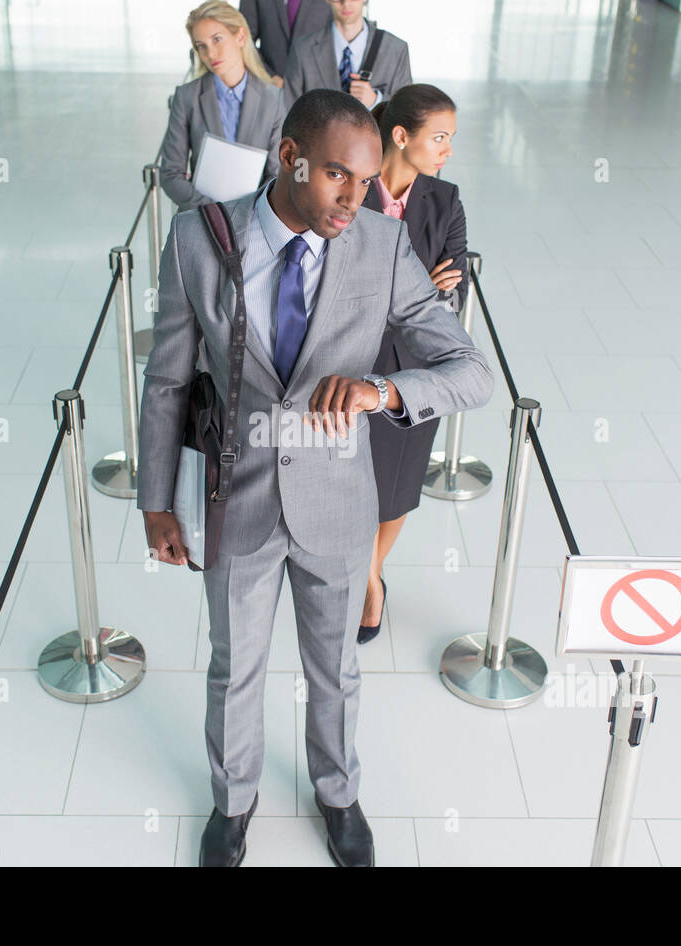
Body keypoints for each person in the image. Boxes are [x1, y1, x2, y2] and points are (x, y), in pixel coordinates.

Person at [137, 89, 492, 867]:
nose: (353, 198)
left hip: (338, 500)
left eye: (365, 181)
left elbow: (471, 372)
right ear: (289, 158)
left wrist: (382, 391)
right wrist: (156, 500)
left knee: (335, 665)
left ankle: (338, 793)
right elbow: (166, 380)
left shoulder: (377, 246)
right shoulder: (201, 239)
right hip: (240, 499)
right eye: (337, 176)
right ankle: (232, 804)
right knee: (235, 665)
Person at [357, 84, 467, 645]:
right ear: (401, 136)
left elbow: (454, 285)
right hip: (352, 361)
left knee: (399, 485)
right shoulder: (351, 187)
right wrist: (418, 285)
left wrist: (404, 290)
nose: (448, 150)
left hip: (418, 373)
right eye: (439, 137)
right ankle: (357, 569)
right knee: (352, 478)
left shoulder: (444, 200)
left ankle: (369, 575)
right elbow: (335, 280)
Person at [160, 1, 286, 213]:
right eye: (202, 46)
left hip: (254, 218)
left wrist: (245, 210)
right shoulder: (187, 97)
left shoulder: (272, 98)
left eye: (217, 39)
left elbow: (276, 174)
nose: (211, 53)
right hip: (200, 217)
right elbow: (170, 174)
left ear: (240, 37)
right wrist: (213, 211)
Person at [282, 0, 412, 111]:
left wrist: (376, 100)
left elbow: (407, 111)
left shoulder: (396, 50)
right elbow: (288, 111)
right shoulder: (303, 51)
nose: (346, 3)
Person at [240, 0, 332, 88]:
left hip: (316, 89)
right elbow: (244, 41)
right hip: (270, 88)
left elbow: (337, 36)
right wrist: (268, 75)